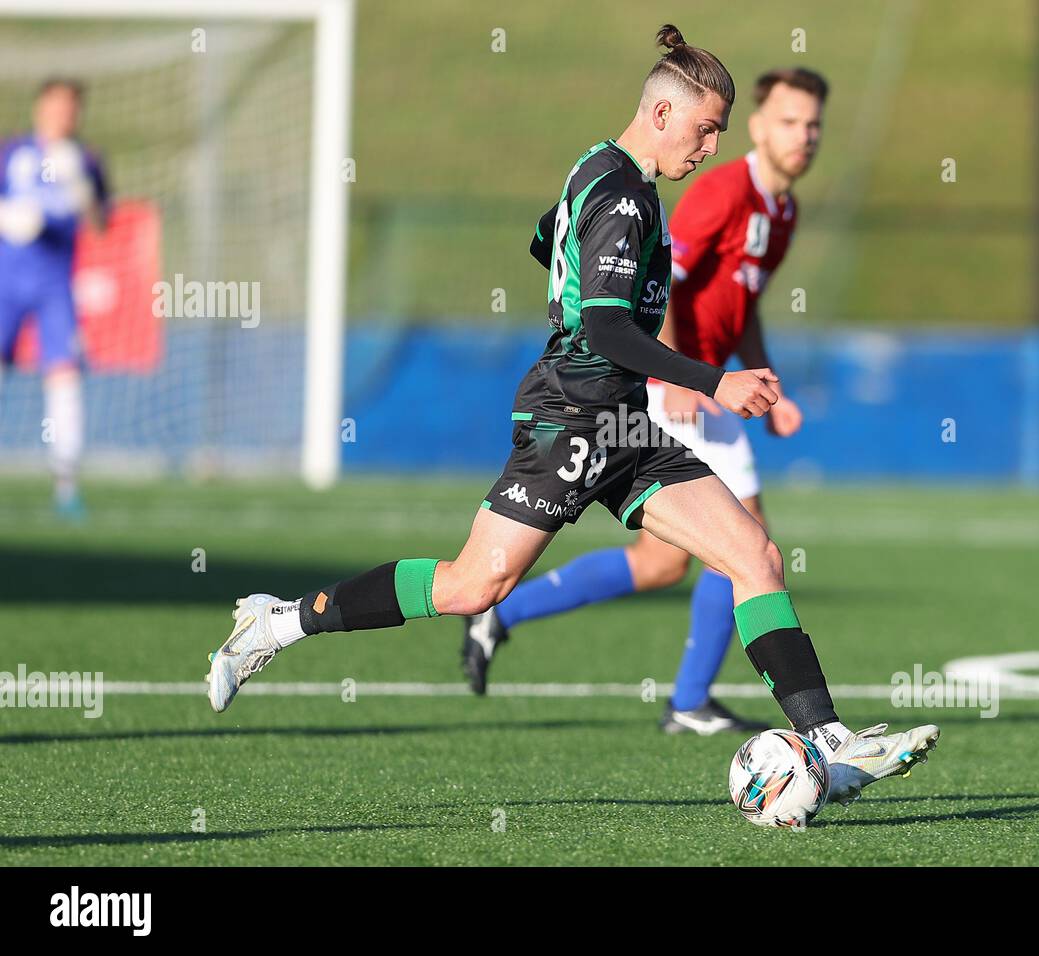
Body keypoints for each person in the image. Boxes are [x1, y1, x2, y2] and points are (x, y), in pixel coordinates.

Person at [204, 25, 939, 809]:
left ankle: (830, 741)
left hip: (624, 423)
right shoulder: (624, 194)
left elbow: (543, 238)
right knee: (470, 586)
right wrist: (712, 381)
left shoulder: (603, 170)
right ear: (660, 115)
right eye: (705, 128)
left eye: (719, 130)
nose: (712, 145)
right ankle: (279, 622)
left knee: (754, 556)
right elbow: (608, 328)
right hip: (572, 418)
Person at [462, 67, 830, 738]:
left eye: (813, 125)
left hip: (700, 383)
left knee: (665, 565)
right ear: (757, 128)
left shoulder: (783, 213)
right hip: (674, 385)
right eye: (788, 121)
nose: (802, 136)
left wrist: (764, 382)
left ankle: (498, 613)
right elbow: (658, 289)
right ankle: (694, 703)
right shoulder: (720, 191)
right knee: (750, 549)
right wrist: (684, 380)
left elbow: (740, 305)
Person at [0, 78, 108, 519]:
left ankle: (66, 485)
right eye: (55, 105)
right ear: (40, 107)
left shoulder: (86, 160)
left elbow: (101, 221)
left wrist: (83, 194)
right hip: (5, 282)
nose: (62, 114)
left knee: (64, 378)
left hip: (54, 287)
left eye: (70, 107)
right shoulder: (12, 152)